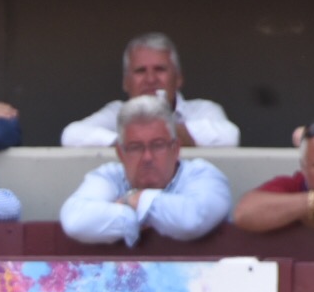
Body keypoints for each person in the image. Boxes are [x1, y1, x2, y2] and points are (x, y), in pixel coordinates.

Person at [59, 95, 230, 245]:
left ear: (175, 148)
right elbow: (75, 221)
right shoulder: (110, 176)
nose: (147, 157)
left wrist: (135, 201)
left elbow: (192, 220)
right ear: (121, 153)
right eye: (135, 147)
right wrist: (146, 214)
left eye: (158, 145)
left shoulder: (203, 175)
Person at [62, 33, 239, 148]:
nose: (150, 79)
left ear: (178, 78)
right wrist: (131, 141)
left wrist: (158, 130)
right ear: (125, 82)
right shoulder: (116, 111)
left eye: (160, 69)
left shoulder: (203, 109)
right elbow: (71, 135)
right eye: (140, 71)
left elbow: (230, 137)